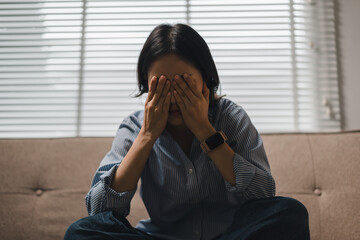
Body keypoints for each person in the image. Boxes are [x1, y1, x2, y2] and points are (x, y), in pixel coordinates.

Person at [65, 23, 310, 240]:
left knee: (290, 212)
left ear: (206, 79)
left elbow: (264, 194)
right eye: (160, 85)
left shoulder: (231, 117)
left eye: (183, 83)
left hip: (232, 234)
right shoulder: (134, 127)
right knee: (81, 233)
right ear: (146, 86)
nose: (173, 97)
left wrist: (205, 131)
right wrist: (148, 135)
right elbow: (98, 209)